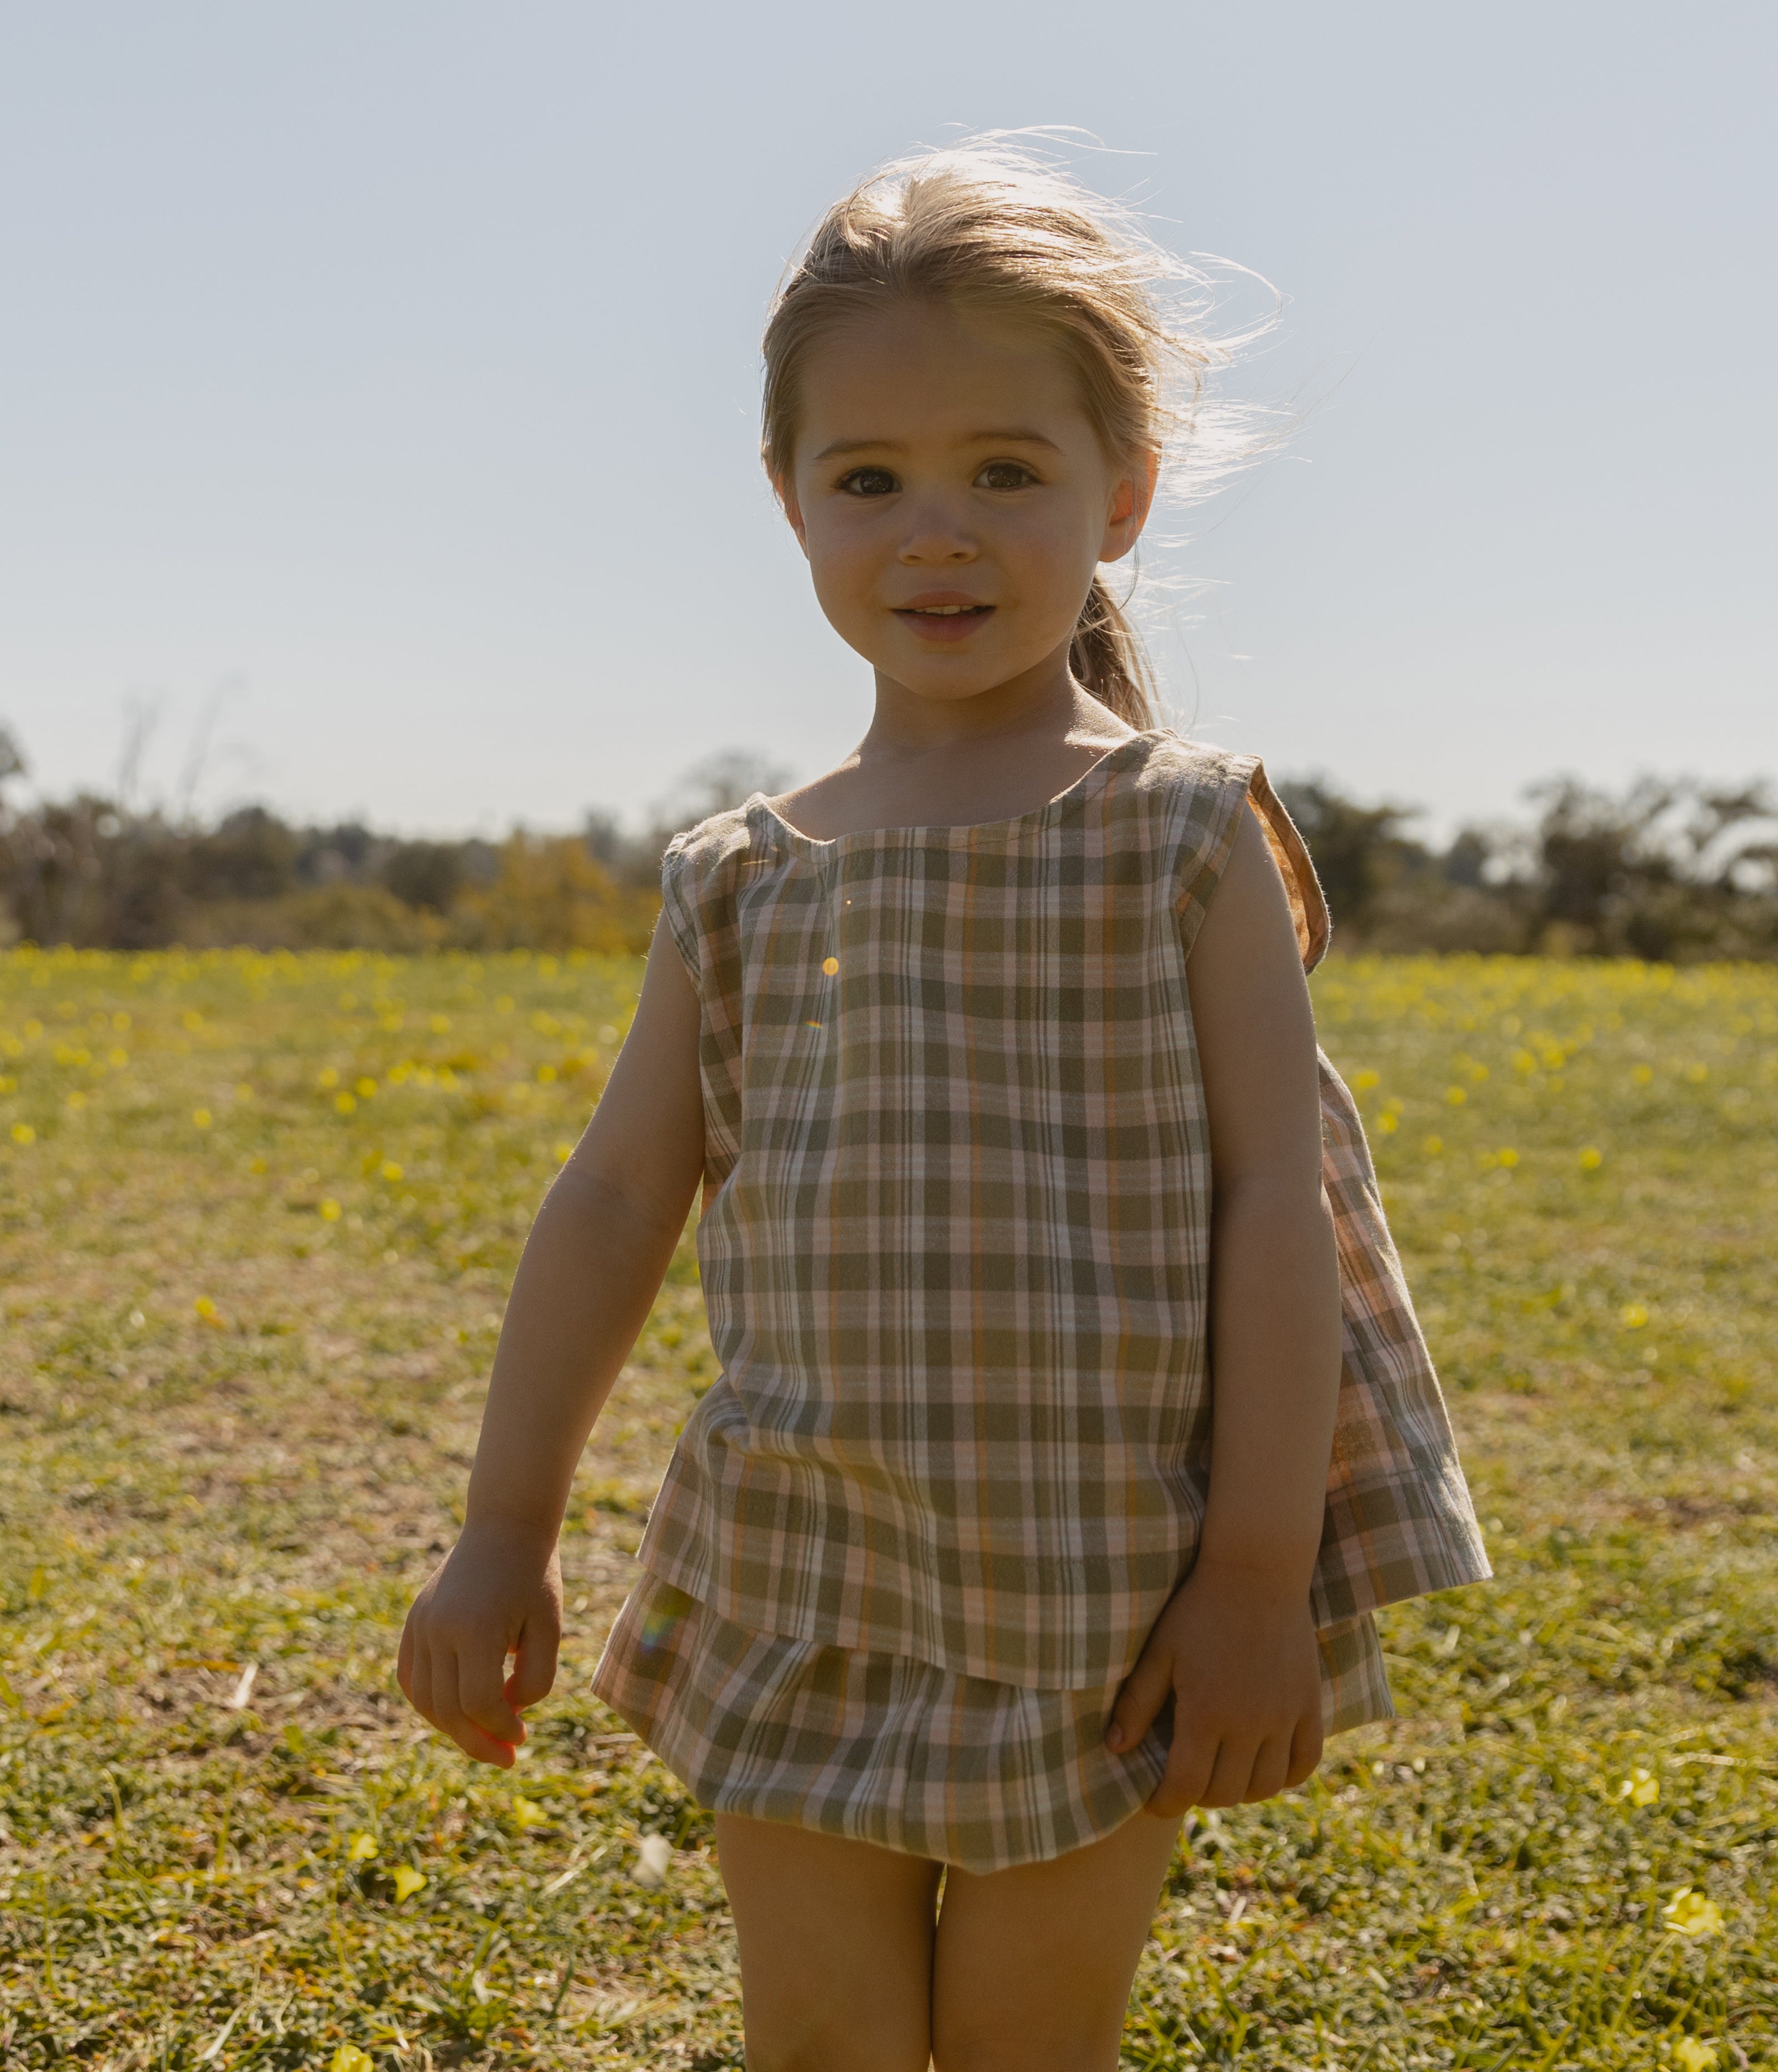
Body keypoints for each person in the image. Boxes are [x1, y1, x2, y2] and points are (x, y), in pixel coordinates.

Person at [398, 147, 1489, 2070]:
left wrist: (1253, 1580)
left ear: (1120, 492)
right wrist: (504, 1530)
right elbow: (616, 1195)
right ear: (789, 502)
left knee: (1022, 2052)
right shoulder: (741, 872)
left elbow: (1275, 1209)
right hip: (796, 1572)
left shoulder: (1174, 832)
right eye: (871, 480)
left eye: (1007, 471)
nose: (938, 535)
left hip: (1103, 1594)